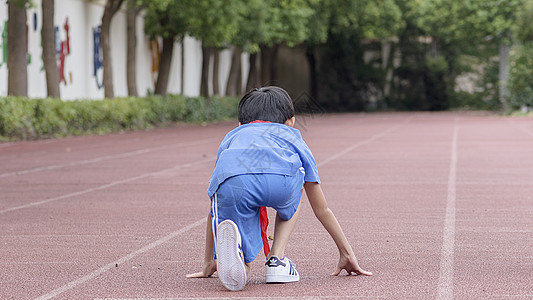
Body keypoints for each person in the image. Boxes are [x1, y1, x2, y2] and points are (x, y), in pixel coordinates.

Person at [186, 86, 372, 291]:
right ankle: (276, 258)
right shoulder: (292, 136)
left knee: (225, 208)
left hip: (234, 183)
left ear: (240, 124)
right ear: (291, 121)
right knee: (299, 184)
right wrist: (346, 252)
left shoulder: (233, 136)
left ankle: (240, 264)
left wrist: (209, 260)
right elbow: (322, 209)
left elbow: (215, 206)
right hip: (280, 183)